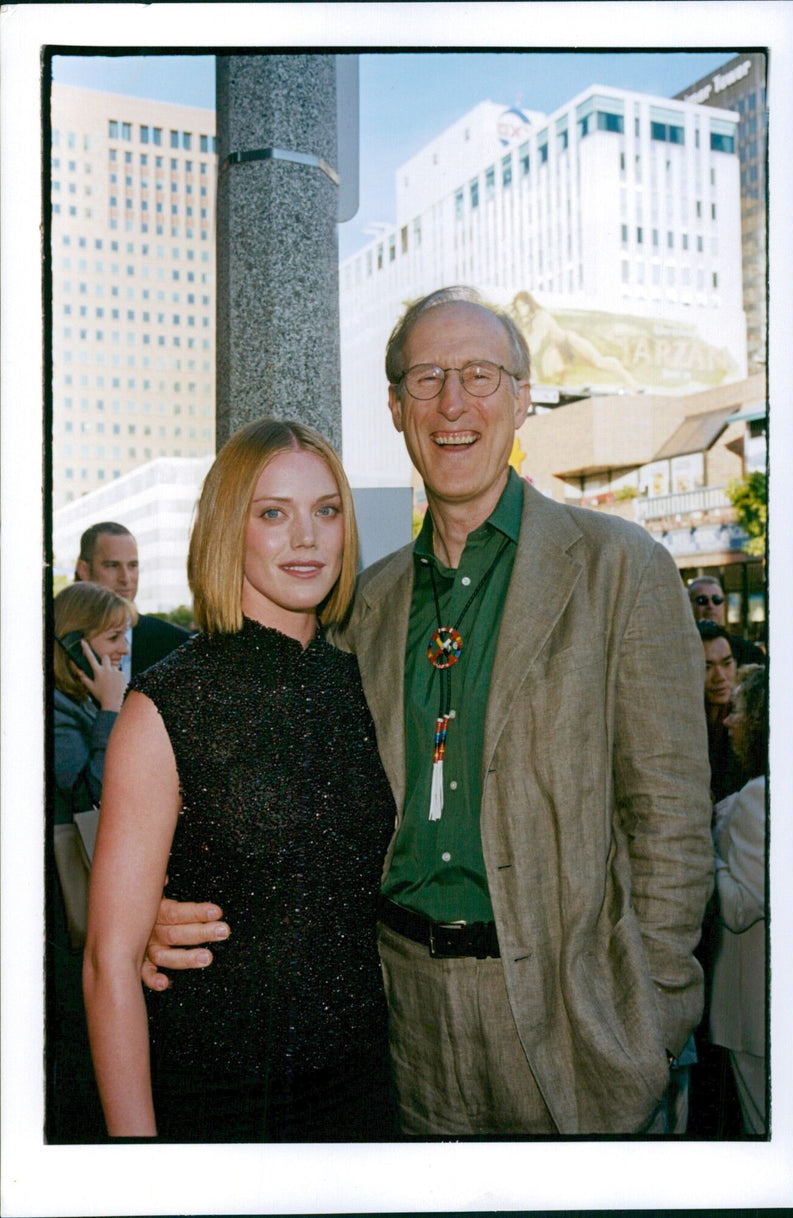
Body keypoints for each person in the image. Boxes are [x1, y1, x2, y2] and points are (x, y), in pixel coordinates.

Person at [142, 287, 713, 1136]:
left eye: (481, 376)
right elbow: (298, 812)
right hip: (398, 1029)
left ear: (523, 397)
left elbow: (670, 821)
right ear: (397, 408)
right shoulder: (363, 610)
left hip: (572, 1022)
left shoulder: (620, 570)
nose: (454, 403)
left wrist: (653, 1021)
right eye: (427, 378)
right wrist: (156, 903)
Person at [83, 419, 396, 1141]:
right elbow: (108, 964)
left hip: (362, 1086)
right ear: (231, 527)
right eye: (273, 513)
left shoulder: (357, 680)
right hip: (217, 1097)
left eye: (326, 510)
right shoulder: (167, 706)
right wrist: (140, 1170)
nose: (306, 537)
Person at [49, 581, 136, 1142]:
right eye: (111, 637)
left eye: (126, 633)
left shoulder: (80, 701)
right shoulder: (54, 709)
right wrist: (111, 708)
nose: (124, 649)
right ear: (75, 644)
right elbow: (90, 793)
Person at [709, 665, 767, 1134]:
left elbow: (741, 907)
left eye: (741, 711)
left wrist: (709, 853)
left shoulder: (756, 796)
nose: (730, 720)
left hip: (752, 1013)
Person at [76, 521, 190, 678]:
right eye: (112, 565)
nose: (126, 578)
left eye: (132, 565)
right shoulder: (56, 641)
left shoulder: (175, 643)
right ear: (84, 570)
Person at [698, 620, 745, 804]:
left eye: (726, 663)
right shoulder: (679, 727)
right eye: (706, 667)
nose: (720, 677)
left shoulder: (750, 723)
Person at [687, 577, 765, 666]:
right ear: (688, 606)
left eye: (717, 600)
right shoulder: (680, 649)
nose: (710, 605)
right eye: (702, 600)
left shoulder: (749, 652)